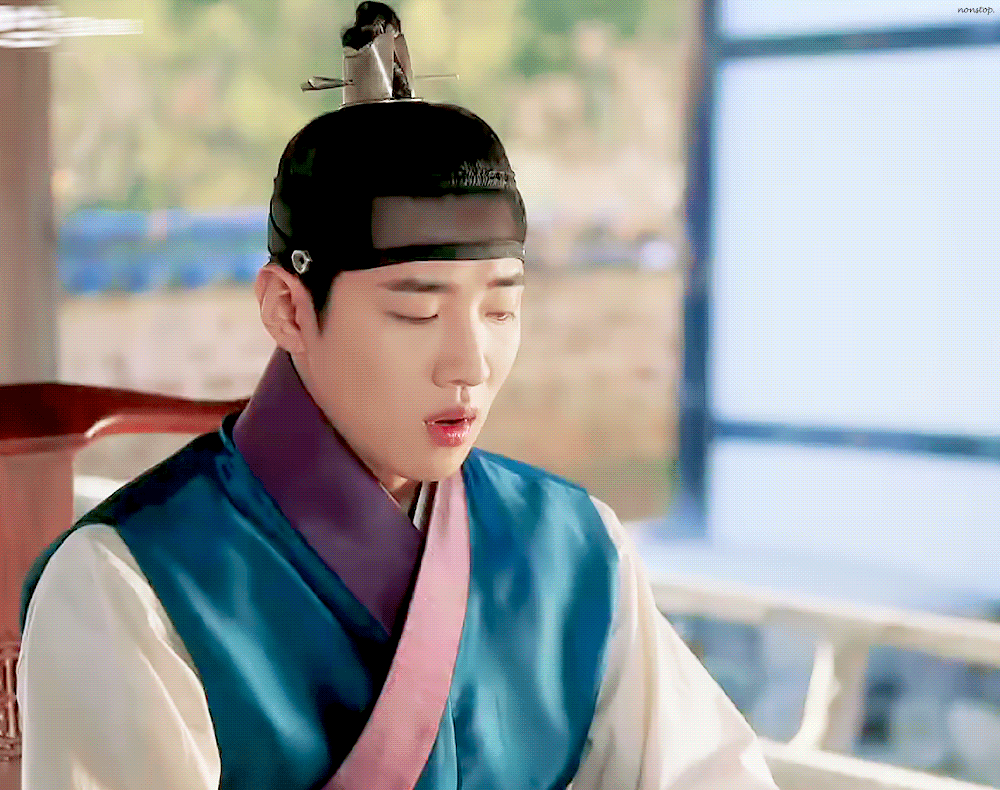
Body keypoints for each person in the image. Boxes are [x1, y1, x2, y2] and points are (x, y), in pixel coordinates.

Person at [17, 4, 779, 788]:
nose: (469, 363)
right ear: (288, 309)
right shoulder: (131, 581)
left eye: (500, 309)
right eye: (416, 312)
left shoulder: (578, 548)